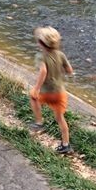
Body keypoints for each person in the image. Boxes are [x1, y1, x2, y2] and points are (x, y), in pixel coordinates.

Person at [29, 26, 75, 154]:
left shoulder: (41, 56)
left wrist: (36, 88)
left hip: (46, 92)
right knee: (60, 118)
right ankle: (66, 145)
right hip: (60, 92)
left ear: (41, 43)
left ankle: (39, 122)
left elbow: (43, 71)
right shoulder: (61, 54)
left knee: (33, 98)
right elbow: (69, 70)